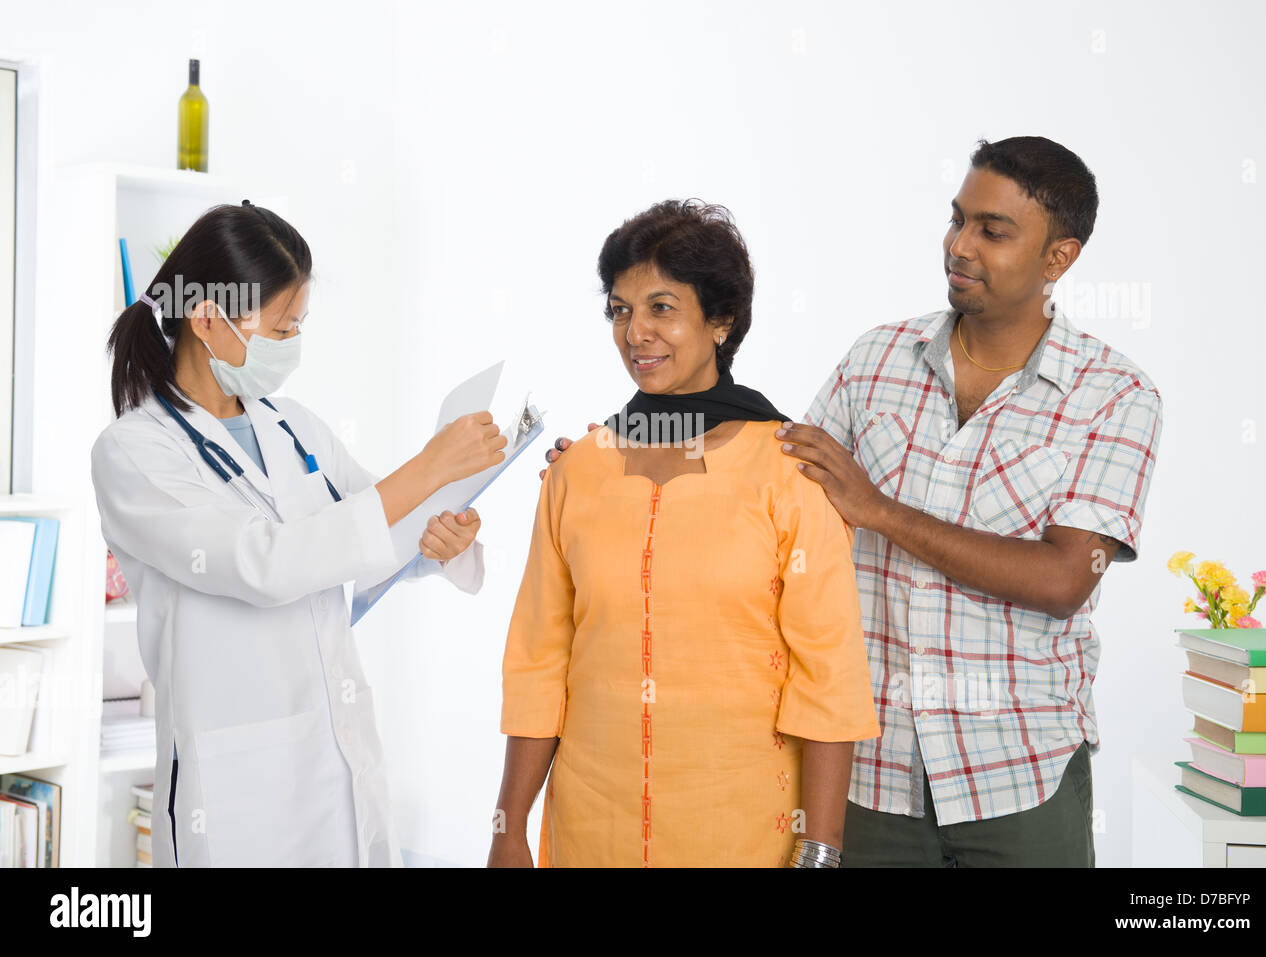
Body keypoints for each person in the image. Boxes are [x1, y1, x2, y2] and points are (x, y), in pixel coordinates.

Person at [549, 137, 1163, 867]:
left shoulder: (1115, 395)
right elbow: (769, 479)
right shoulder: (877, 360)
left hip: (1018, 775)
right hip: (873, 779)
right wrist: (617, 466)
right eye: (957, 218)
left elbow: (1065, 579)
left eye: (992, 231)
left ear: (1058, 259)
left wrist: (880, 510)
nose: (959, 245)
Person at [91, 202, 507, 867]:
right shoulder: (136, 452)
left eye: (297, 326)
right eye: (281, 328)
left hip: (337, 752)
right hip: (236, 784)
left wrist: (437, 536)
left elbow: (374, 525)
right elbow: (265, 564)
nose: (291, 343)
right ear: (205, 318)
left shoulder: (294, 426)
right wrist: (429, 466)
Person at [492, 200, 879, 868]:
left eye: (662, 308)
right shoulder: (578, 471)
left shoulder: (789, 471)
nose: (635, 332)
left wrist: (820, 853)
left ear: (721, 321)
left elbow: (829, 679)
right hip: (592, 829)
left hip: (743, 832)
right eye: (619, 309)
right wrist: (508, 828)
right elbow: (538, 661)